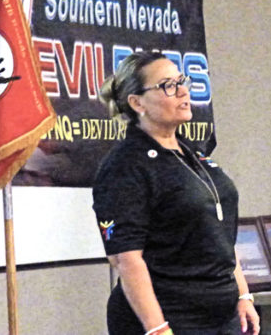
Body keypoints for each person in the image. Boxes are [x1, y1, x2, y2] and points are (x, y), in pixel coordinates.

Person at [92, 51, 260, 335]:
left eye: (182, 82)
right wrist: (156, 328)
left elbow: (218, 233)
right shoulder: (125, 165)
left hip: (222, 315)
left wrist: (243, 294)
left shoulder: (192, 153)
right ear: (137, 103)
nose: (183, 91)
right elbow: (126, 258)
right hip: (170, 316)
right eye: (168, 86)